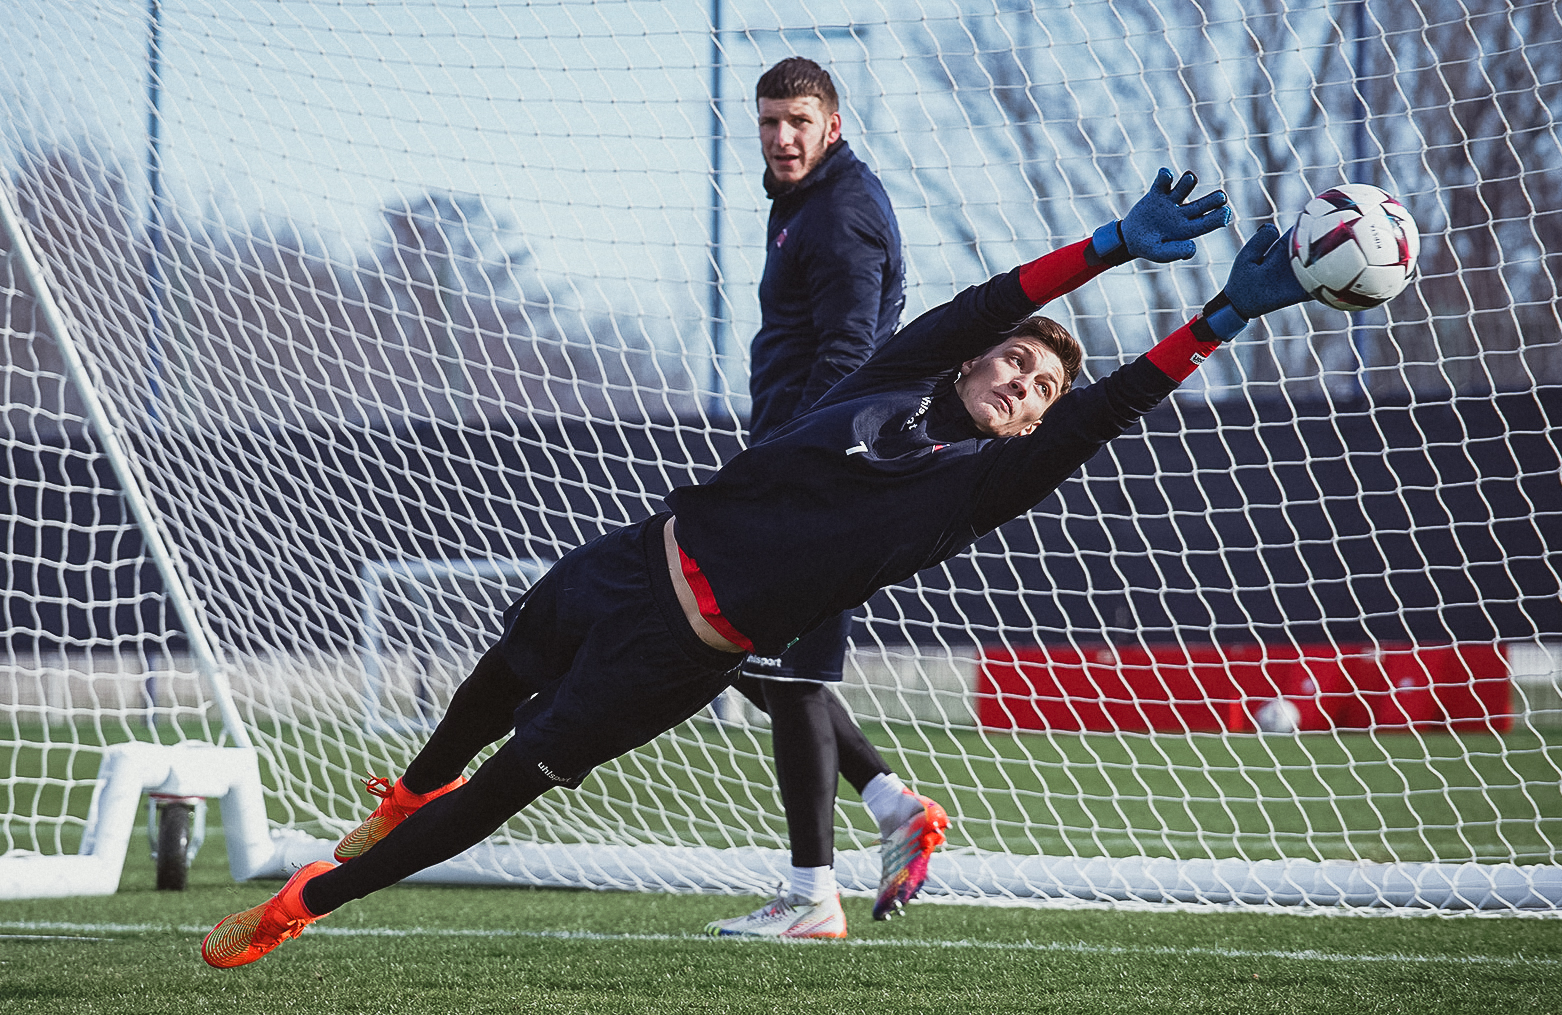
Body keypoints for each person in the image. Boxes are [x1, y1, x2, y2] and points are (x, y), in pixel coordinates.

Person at [202, 168, 1319, 970]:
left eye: (1036, 390)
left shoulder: (975, 489)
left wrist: (1216, 318)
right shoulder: (887, 377)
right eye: (1014, 361)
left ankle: (311, 899)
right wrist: (1113, 242)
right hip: (637, 555)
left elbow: (1109, 409)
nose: (1021, 380)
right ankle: (403, 794)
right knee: (491, 679)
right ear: (975, 361)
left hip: (676, 658)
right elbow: (988, 300)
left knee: (512, 782)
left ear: (1029, 427)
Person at [710, 57, 936, 939]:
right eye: (769, 121)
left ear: (832, 125)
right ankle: (888, 805)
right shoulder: (800, 204)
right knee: (743, 653)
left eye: (799, 121)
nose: (782, 137)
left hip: (822, 468)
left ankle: (813, 897)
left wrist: (802, 463)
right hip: (796, 457)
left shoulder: (841, 210)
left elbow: (848, 354)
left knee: (784, 670)